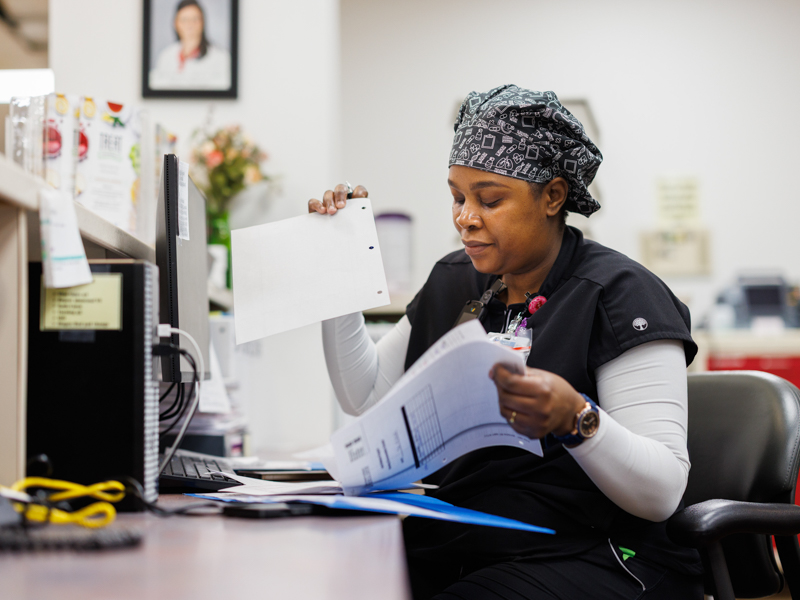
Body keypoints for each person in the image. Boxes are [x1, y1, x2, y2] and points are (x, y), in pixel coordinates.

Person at [309, 85, 704, 600]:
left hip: (598, 553)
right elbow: (364, 394)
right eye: (457, 196)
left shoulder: (619, 295)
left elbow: (662, 493)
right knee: (324, 576)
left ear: (553, 197)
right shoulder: (455, 279)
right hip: (469, 538)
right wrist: (342, 274)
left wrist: (576, 421)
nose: (465, 217)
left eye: (490, 199)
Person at [149, 0, 231, 90]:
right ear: (175, 23)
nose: (190, 25)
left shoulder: (220, 57)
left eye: (195, 19)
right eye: (184, 20)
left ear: (203, 22)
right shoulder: (165, 56)